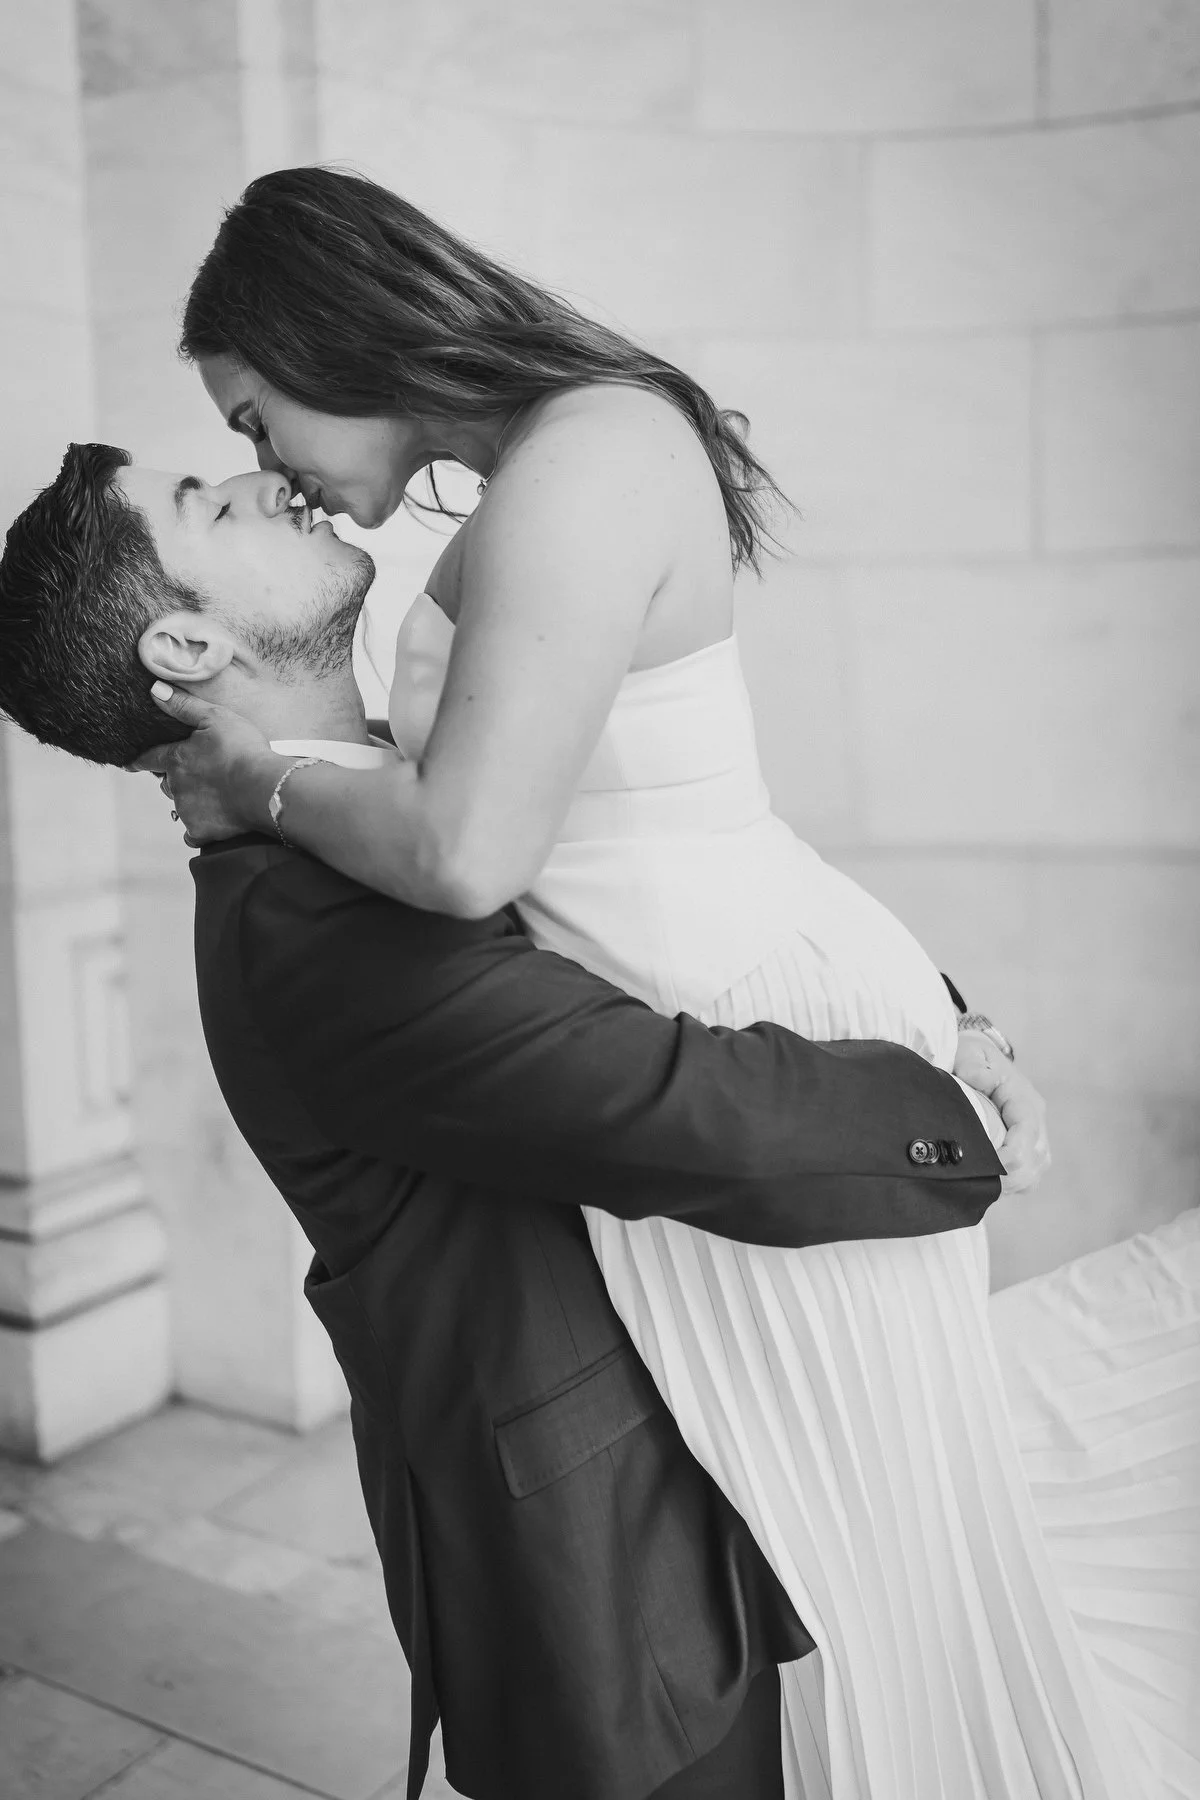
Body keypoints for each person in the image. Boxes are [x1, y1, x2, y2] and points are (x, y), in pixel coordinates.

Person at [0, 442, 1033, 1800]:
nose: (266, 481)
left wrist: (928, 1009)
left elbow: (671, 888)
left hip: (708, 1454)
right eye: (210, 498)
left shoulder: (399, 790)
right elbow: (671, 1108)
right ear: (186, 641)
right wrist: (948, 1119)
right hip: (606, 1579)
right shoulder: (304, 925)